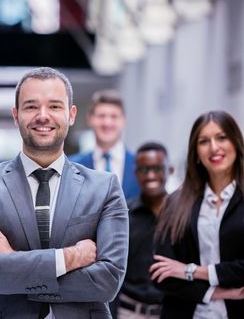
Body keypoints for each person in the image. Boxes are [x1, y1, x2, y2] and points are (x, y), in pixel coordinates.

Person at [0, 67, 128, 318]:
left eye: (55, 106)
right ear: (16, 116)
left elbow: (108, 281)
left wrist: (12, 260)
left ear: (71, 115)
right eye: (31, 107)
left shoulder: (104, 187)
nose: (43, 116)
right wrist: (69, 258)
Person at [150, 110, 244, 319]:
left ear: (236, 143)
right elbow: (161, 272)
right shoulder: (176, 202)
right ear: (196, 152)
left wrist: (191, 271)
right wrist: (214, 292)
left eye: (221, 137)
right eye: (204, 141)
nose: (214, 147)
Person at [116, 142, 173, 319]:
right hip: (129, 312)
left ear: (169, 170)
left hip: (171, 311)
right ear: (136, 173)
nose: (150, 175)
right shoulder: (123, 214)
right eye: (144, 170)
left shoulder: (184, 214)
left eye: (157, 168)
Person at [69, 89, 139, 201]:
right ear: (90, 119)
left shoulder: (140, 165)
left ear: (123, 121)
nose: (107, 123)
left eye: (114, 116)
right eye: (101, 116)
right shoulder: (72, 167)